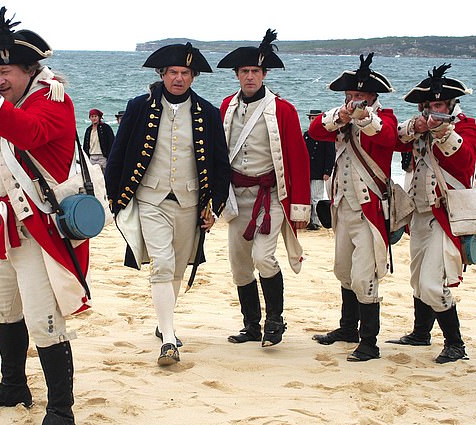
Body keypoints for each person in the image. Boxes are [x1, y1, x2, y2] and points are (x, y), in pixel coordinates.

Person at [0, 7, 88, 423]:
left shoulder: (53, 98)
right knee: (2, 306)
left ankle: (61, 409)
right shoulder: (4, 100)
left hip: (40, 223)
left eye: (6, 71)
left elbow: (28, 132)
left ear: (30, 69)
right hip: (7, 222)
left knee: (45, 317)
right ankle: (13, 386)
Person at [105, 42, 230, 366]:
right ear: (162, 74)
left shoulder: (208, 112)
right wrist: (114, 196)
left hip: (190, 201)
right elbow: (119, 153)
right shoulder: (138, 107)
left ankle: (165, 324)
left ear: (193, 76)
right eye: (173, 72)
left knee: (177, 266)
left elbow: (220, 163)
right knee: (161, 263)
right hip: (150, 197)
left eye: (185, 73)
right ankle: (170, 339)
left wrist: (214, 206)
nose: (178, 78)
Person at [217, 29, 310, 347]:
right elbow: (218, 154)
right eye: (245, 71)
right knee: (240, 265)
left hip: (269, 196)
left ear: (264, 74)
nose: (250, 77)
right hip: (235, 197)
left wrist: (299, 207)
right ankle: (251, 326)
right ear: (237, 75)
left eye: (256, 71)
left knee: (263, 257)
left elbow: (298, 158)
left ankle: (275, 321)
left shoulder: (283, 110)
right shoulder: (227, 106)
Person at [388, 64, 476, 363]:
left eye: (438, 104)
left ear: (451, 105)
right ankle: (420, 333)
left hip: (446, 215)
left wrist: (441, 130)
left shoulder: (467, 127)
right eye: (428, 105)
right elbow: (393, 139)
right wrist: (415, 126)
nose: (432, 109)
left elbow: (465, 160)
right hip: (419, 214)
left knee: (431, 284)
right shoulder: (420, 127)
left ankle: (455, 344)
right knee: (417, 279)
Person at [309, 53, 397, 362]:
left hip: (370, 210)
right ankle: (347, 328)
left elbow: (386, 136)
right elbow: (316, 130)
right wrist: (343, 115)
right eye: (350, 95)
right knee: (343, 270)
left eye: (358, 95)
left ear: (372, 97)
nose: (353, 99)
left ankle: (369, 342)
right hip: (342, 206)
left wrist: (362, 116)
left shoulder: (386, 118)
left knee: (364, 276)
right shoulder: (341, 118)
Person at [304, 109, 335, 230]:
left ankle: (317, 221)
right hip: (307, 171)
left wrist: (327, 171)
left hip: (319, 171)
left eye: (315, 118)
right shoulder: (307, 135)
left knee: (316, 197)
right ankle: (308, 220)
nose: (313, 120)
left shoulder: (326, 135)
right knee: (307, 197)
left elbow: (330, 154)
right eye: (311, 118)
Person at [83, 108, 114, 173]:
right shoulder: (88, 130)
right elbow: (85, 145)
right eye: (92, 116)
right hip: (91, 157)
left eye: (95, 116)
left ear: (99, 117)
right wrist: (85, 157)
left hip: (102, 157)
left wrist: (110, 157)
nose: (94, 118)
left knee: (103, 177)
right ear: (90, 118)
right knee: (93, 177)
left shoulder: (106, 128)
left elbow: (111, 142)